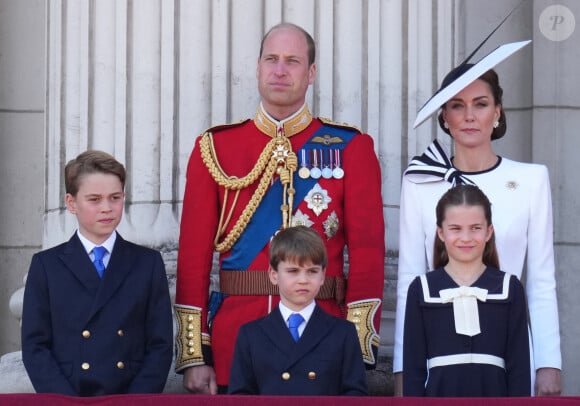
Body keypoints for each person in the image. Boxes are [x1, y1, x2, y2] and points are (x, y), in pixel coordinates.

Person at [174, 22, 385, 393]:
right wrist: (195, 354)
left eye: (292, 61)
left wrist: (355, 347)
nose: (280, 69)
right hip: (235, 344)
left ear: (311, 73)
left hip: (324, 343)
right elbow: (193, 258)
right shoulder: (215, 148)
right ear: (257, 68)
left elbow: (368, 255)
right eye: (271, 59)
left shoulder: (351, 147)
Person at [394, 47, 561, 395]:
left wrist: (548, 364)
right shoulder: (420, 181)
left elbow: (541, 281)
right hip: (438, 352)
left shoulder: (531, 179)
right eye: (457, 105)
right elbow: (410, 276)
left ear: (497, 112)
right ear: (444, 116)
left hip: (509, 346)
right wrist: (401, 368)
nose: (469, 115)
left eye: (481, 104)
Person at [21, 150, 173, 396]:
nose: (107, 208)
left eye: (115, 197)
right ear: (71, 203)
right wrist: (66, 403)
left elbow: (160, 344)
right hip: (69, 397)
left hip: (129, 398)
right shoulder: (46, 266)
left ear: (124, 197)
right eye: (94, 199)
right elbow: (35, 346)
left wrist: (134, 402)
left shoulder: (147, 263)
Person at [403, 184, 530, 396]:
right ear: (441, 233)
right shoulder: (421, 289)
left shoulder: (510, 288)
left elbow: (519, 371)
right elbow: (413, 371)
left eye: (475, 228)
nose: (466, 237)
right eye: (455, 228)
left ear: (489, 231)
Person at [228, 226, 368, 395]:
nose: (303, 280)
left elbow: (355, 396)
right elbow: (240, 397)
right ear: (273, 275)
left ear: (323, 275)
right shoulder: (251, 335)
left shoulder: (343, 333)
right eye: (293, 271)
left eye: (312, 271)